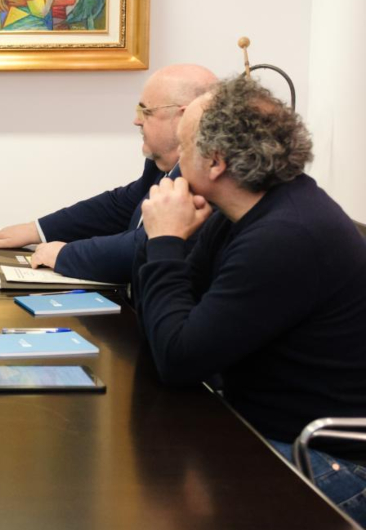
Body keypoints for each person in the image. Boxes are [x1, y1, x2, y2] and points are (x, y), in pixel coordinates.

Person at [136, 76, 366, 523]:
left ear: (215, 162)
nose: (177, 162)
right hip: (262, 425)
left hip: (325, 458)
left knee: (156, 503)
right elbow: (162, 325)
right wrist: (162, 241)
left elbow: (177, 360)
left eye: (184, 147)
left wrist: (164, 240)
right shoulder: (244, 212)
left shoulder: (286, 235)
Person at [0, 64, 217, 283]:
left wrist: (63, 255)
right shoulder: (163, 167)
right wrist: (37, 230)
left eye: (145, 111)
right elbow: (119, 206)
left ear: (184, 117)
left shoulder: (204, 178)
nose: (136, 121)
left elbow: (146, 245)